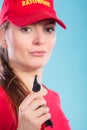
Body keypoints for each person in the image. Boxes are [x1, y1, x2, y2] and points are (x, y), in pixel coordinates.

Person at [0, 0, 71, 130]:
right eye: (26, 29)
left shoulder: (54, 99)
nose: (40, 40)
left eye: (48, 29)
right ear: (3, 37)